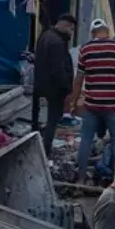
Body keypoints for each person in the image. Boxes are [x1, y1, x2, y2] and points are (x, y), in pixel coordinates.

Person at [70, 19, 115, 184]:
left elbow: (78, 79)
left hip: (91, 105)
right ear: (107, 31)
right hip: (113, 105)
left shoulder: (85, 50)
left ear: (92, 33)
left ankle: (81, 178)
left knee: (86, 139)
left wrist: (73, 102)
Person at [32, 14, 76, 156]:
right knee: (52, 121)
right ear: (64, 26)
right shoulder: (57, 42)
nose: (71, 33)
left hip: (40, 84)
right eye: (71, 29)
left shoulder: (45, 36)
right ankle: (45, 151)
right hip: (54, 88)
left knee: (36, 120)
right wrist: (67, 87)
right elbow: (58, 68)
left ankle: (35, 147)